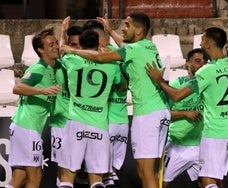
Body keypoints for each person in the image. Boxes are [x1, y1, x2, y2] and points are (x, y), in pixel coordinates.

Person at [60, 12, 170, 188]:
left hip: (147, 113)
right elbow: (124, 48)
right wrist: (110, 31)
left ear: (139, 30)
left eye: (127, 25)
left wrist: (71, 49)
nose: (123, 28)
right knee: (150, 171)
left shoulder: (130, 50)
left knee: (145, 172)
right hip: (161, 111)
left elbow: (100, 57)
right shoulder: (149, 46)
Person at [145, 27, 228, 188]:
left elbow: (177, 95)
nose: (201, 43)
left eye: (202, 40)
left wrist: (159, 80)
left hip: (214, 132)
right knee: (214, 178)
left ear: (209, 43)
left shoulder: (207, 71)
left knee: (208, 181)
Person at [58, 29, 123, 188]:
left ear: (80, 44)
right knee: (97, 180)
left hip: (76, 123)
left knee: (67, 177)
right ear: (98, 44)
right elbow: (121, 84)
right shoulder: (112, 66)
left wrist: (63, 32)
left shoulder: (72, 59)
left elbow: (61, 49)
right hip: (99, 126)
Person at [6, 27, 61, 188]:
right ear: (40, 50)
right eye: (51, 44)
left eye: (56, 42)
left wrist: (63, 32)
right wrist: (42, 90)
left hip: (24, 127)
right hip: (26, 128)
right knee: (35, 176)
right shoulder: (38, 69)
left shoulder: (54, 66)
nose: (56, 46)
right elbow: (17, 88)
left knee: (19, 177)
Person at [162, 48, 207, 188]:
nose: (202, 65)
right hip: (177, 145)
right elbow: (164, 114)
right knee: (161, 183)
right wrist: (185, 113)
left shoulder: (207, 85)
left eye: (205, 62)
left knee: (212, 182)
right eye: (198, 61)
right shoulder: (176, 86)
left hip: (200, 146)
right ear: (188, 63)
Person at [49, 16, 84, 187]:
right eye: (72, 45)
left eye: (78, 45)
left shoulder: (89, 67)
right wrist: (62, 32)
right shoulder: (58, 64)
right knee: (63, 170)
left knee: (83, 173)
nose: (74, 48)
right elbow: (59, 51)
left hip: (81, 124)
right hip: (60, 124)